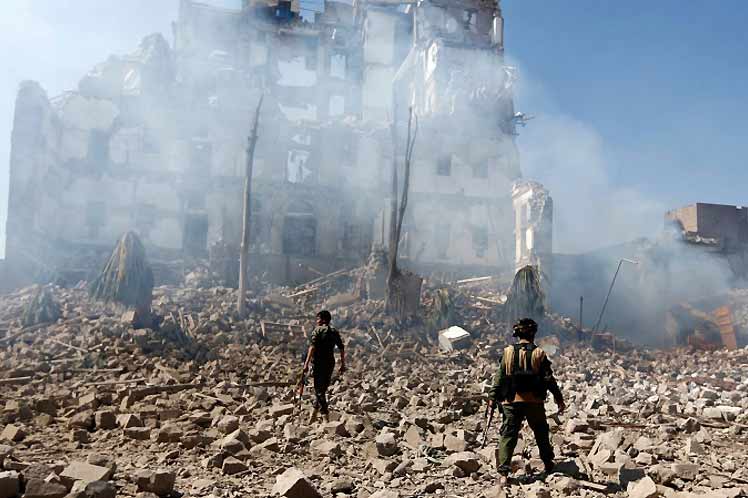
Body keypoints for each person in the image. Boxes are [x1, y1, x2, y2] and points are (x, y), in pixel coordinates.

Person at [488, 318, 565, 476]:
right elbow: (549, 379)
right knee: (541, 432)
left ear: (517, 334)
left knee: (508, 434)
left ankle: (503, 472)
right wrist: (559, 399)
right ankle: (548, 464)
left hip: (511, 401)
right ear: (533, 334)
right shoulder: (539, 354)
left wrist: (492, 398)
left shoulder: (508, 352)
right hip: (534, 402)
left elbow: (499, 378)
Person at [302, 310, 345, 423]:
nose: (317, 321)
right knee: (322, 389)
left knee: (319, 391)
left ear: (323, 319)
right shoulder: (334, 331)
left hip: (319, 363)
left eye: (318, 319)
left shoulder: (318, 330)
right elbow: (341, 348)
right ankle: (313, 416)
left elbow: (312, 348)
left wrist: (306, 364)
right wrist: (343, 364)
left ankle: (325, 416)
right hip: (330, 363)